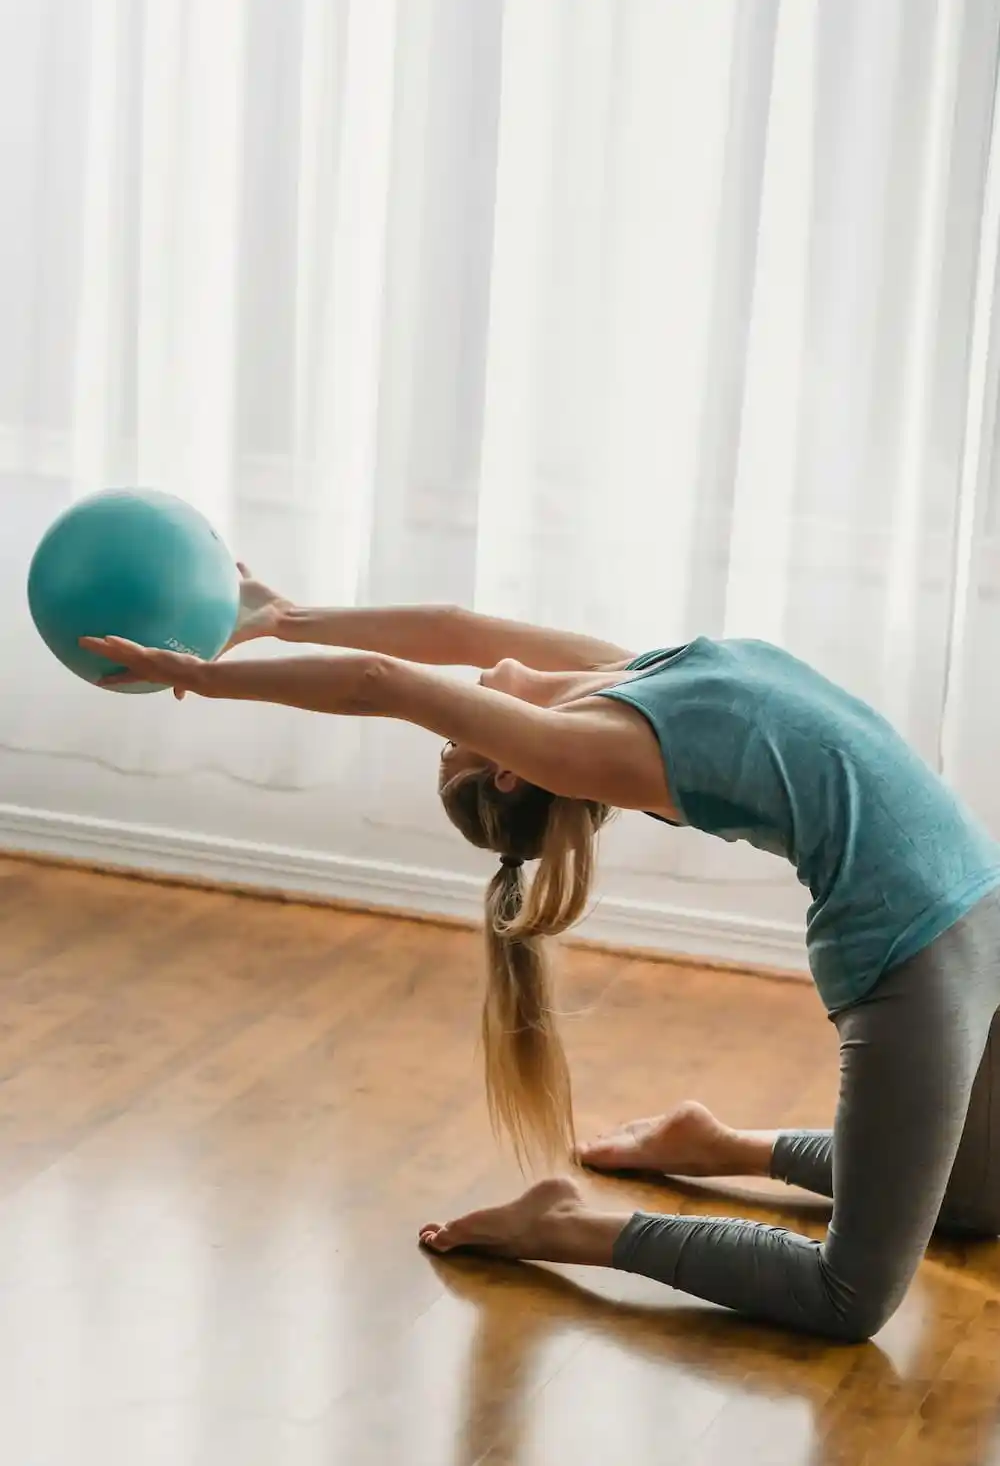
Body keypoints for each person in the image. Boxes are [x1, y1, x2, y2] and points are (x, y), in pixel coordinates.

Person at [80, 567, 1000, 1343]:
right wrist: (200, 680)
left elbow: (450, 628)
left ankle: (717, 1143)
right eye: (456, 737)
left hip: (984, 893)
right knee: (849, 1299)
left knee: (980, 1202)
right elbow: (379, 682)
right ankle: (565, 1224)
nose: (464, 700)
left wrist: (279, 618)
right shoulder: (582, 744)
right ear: (508, 762)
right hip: (915, 948)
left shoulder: (624, 678)